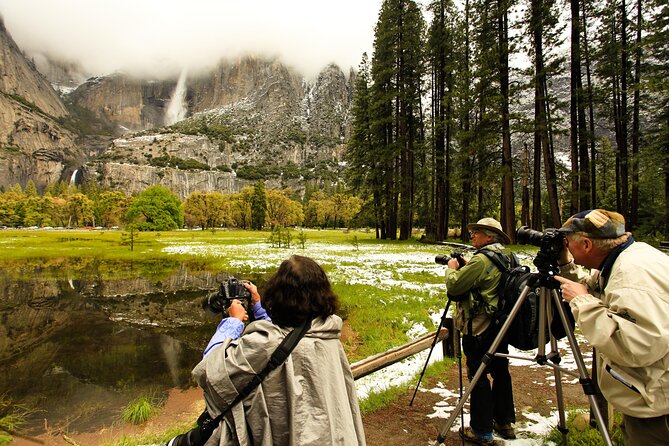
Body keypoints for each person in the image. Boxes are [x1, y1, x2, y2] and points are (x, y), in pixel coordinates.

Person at [172, 255, 366, 446]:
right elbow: (288, 338)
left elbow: (211, 371)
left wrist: (233, 322)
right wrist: (258, 308)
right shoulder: (328, 333)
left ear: (278, 294)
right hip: (331, 435)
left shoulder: (265, 343)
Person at [554, 209, 669, 446]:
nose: (565, 245)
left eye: (568, 242)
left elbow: (636, 345)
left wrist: (582, 303)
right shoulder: (628, 257)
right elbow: (592, 286)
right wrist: (565, 263)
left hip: (658, 407)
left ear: (586, 244)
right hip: (654, 392)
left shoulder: (631, 279)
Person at [445, 217, 516, 445]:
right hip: (501, 324)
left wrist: (451, 269)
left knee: (478, 374)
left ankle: (481, 430)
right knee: (500, 370)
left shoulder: (482, 260)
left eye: (478, 232)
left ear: (490, 236)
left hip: (479, 326)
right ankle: (504, 422)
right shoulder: (509, 256)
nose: (472, 235)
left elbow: (455, 286)